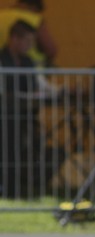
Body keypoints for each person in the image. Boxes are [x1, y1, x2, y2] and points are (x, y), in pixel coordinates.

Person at [0, 19, 39, 197]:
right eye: (27, 41)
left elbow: (38, 85)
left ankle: (20, 186)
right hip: (4, 115)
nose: (30, 46)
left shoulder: (28, 61)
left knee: (29, 145)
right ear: (14, 39)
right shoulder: (2, 59)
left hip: (24, 115)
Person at [0, 0, 56, 67]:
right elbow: (50, 49)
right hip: (31, 71)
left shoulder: (1, 16)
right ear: (33, 7)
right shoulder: (34, 19)